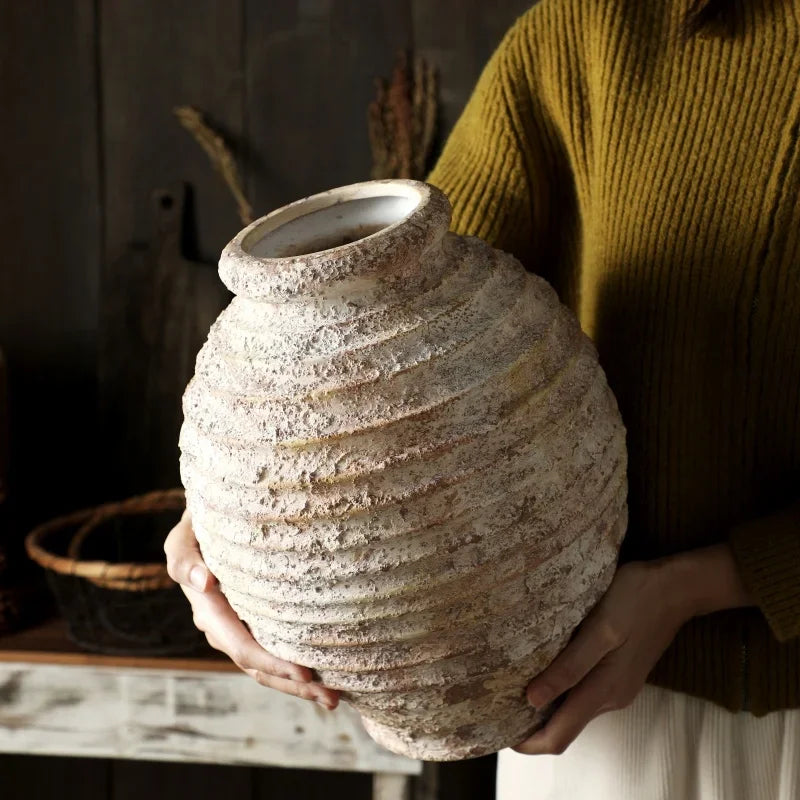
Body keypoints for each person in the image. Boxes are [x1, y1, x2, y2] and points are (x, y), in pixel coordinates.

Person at [165, 0, 800, 797]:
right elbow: (393, 305)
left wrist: (700, 585)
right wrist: (224, 525)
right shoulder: (593, 30)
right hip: (599, 707)